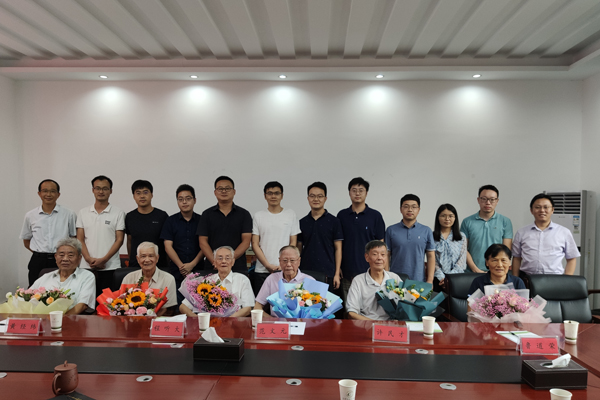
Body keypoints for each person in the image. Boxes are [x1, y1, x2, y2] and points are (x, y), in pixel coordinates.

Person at [20, 179, 77, 286]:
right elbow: (26, 240)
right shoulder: (30, 215)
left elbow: (74, 238)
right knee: (35, 291)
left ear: (58, 194)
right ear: (39, 193)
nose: (48, 194)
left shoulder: (69, 214)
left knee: (62, 290)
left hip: (61, 260)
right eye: (45, 191)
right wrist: (40, 253)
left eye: (52, 191)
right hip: (38, 261)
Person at [76, 175, 125, 297]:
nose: (101, 191)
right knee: (86, 301)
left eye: (105, 188)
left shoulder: (118, 213)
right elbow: (80, 239)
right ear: (93, 190)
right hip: (87, 266)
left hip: (110, 266)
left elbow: (119, 240)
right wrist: (88, 259)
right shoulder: (83, 212)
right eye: (97, 188)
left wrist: (104, 260)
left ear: (111, 191)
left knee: (109, 302)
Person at [337, 177, 385, 301]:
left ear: (366, 193)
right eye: (354, 190)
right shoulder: (342, 215)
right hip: (347, 272)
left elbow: (381, 246)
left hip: (369, 272)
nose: (357, 193)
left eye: (361, 190)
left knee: (370, 307)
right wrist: (338, 268)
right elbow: (338, 245)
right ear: (349, 193)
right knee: (349, 307)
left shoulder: (375, 216)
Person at [512, 194, 580, 276]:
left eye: (546, 207)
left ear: (552, 210)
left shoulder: (564, 232)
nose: (542, 210)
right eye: (537, 207)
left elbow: (571, 258)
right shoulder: (521, 232)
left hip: (554, 278)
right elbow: (516, 258)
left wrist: (566, 279)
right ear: (531, 210)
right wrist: (516, 279)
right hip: (527, 278)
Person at [251, 181, 301, 293]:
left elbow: (293, 243)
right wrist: (267, 265)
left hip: (285, 270)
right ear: (265, 196)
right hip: (262, 270)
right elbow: (255, 244)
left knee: (285, 301)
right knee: (261, 302)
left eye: (277, 193)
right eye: (270, 193)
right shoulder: (258, 216)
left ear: (282, 196)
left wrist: (282, 264)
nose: (273, 196)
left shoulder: (291, 214)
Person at [179, 246, 254, 317]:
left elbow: (247, 308)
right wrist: (198, 319)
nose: (223, 261)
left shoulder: (242, 279)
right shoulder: (206, 282)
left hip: (233, 322)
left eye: (227, 258)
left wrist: (229, 320)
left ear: (233, 262)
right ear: (214, 262)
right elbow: (183, 307)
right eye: (220, 258)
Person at [197, 176, 252, 272]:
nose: (224, 191)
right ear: (215, 192)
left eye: (227, 188)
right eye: (220, 189)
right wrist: (215, 261)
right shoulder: (207, 214)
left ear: (234, 191)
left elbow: (246, 242)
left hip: (237, 266)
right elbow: (203, 242)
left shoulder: (244, 214)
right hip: (212, 266)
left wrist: (229, 260)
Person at [160, 184, 203, 305]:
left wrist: (192, 264)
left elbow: (205, 245)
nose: (184, 202)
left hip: (198, 270)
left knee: (199, 306)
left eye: (188, 198)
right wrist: (182, 268)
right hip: (176, 273)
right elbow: (168, 246)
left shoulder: (202, 220)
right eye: (180, 199)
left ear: (194, 200)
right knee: (178, 307)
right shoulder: (170, 221)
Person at [30, 238, 96, 315]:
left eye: (70, 255)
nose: (65, 259)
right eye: (61, 255)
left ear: (79, 258)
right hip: (43, 319)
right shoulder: (46, 276)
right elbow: (27, 297)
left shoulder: (87, 276)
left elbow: (82, 305)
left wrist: (60, 319)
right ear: (55, 257)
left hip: (72, 319)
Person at [298, 182, 343, 293]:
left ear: (325, 198)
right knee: (306, 302)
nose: (316, 199)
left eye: (320, 196)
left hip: (328, 272)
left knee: (327, 303)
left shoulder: (334, 221)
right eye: (312, 196)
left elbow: (338, 249)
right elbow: (298, 249)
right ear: (308, 198)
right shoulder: (302, 222)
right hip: (306, 272)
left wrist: (337, 273)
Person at [460, 185, 513, 273]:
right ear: (478, 200)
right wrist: (475, 269)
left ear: (497, 201)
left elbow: (506, 250)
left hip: (497, 272)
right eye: (484, 199)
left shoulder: (505, 221)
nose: (488, 202)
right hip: (472, 272)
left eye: (492, 199)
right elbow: (463, 249)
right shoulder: (467, 222)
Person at [385, 194, 435, 283]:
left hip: (419, 280)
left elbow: (431, 256)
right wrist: (386, 278)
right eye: (406, 206)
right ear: (400, 209)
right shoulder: (391, 230)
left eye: (414, 207)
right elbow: (386, 255)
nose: (410, 210)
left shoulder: (426, 230)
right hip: (395, 280)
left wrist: (430, 280)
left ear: (419, 210)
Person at [347, 240, 402, 320]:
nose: (379, 258)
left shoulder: (394, 278)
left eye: (383, 254)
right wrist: (374, 323)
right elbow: (351, 313)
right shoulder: (358, 281)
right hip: (366, 324)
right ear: (367, 257)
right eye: (375, 254)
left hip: (391, 324)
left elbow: (404, 305)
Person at [253, 245, 315, 317]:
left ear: (299, 261)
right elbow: (257, 307)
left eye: (292, 260)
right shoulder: (271, 279)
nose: (288, 264)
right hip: (276, 322)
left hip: (302, 322)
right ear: (279, 261)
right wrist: (271, 320)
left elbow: (318, 309)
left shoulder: (310, 281)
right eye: (285, 260)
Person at [122, 242, 177, 316]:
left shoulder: (168, 279)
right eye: (143, 256)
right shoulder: (128, 278)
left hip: (158, 320)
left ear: (157, 258)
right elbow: (122, 305)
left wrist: (151, 320)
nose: (147, 260)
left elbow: (169, 310)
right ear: (138, 259)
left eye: (151, 256)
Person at [125, 180, 168, 270]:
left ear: (151, 195)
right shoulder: (130, 217)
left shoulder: (162, 216)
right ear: (134, 196)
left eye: (145, 192)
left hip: (159, 265)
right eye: (138, 193)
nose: (142, 196)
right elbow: (129, 241)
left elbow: (167, 242)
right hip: (136, 265)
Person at [432, 204, 467, 289]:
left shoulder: (461, 237)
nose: (447, 219)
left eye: (451, 216)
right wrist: (442, 278)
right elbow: (433, 260)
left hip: (457, 278)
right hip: (438, 279)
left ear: (455, 218)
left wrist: (449, 279)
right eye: (443, 216)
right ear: (438, 217)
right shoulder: (431, 236)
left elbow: (462, 260)